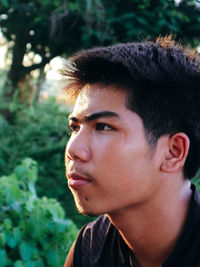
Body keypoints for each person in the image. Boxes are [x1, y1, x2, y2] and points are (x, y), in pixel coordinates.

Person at [63, 36, 200, 267]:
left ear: (173, 153)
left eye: (103, 127)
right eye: (75, 127)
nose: (73, 150)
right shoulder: (90, 246)